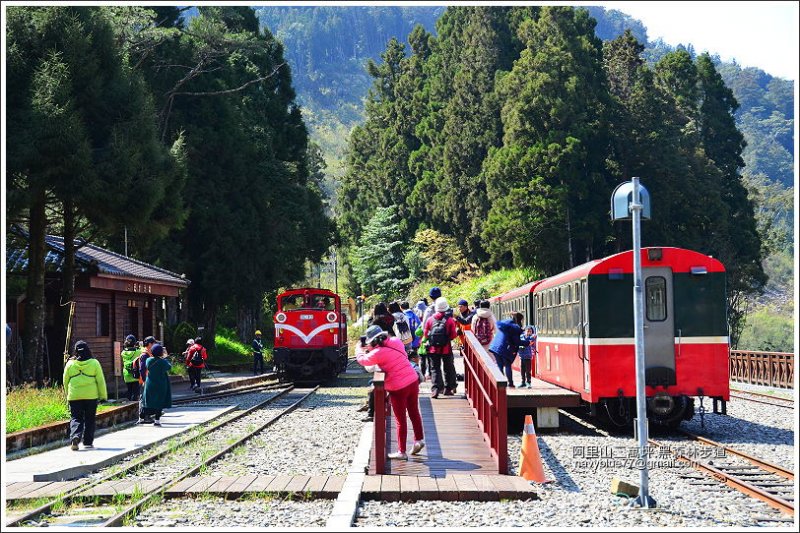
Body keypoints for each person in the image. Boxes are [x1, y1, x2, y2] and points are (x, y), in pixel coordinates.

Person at [356, 325, 425, 460]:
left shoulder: (377, 353)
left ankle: (401, 451)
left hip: (398, 387)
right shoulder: (395, 341)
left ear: (373, 341)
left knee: (400, 419)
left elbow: (363, 361)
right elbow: (398, 355)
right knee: (414, 412)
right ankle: (419, 439)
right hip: (412, 379)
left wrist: (359, 349)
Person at [63, 340, 107, 450]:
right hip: (91, 396)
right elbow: (100, 381)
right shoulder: (94, 363)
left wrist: (68, 394)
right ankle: (87, 442)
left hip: (74, 395)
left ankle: (75, 437)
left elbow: (65, 381)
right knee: (90, 419)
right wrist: (103, 396)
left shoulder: (70, 364)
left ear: (75, 351)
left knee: (76, 418)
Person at [423, 297, 458, 398]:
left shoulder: (430, 319)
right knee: (448, 368)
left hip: (433, 349)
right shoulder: (450, 320)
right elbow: (453, 335)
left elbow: (425, 334)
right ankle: (448, 389)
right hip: (446, 348)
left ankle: (436, 389)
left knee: (435, 368)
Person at [489, 312, 524, 387]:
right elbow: (517, 342)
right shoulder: (514, 327)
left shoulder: (504, 324)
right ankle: (510, 383)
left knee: (500, 365)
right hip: (505, 348)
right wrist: (527, 342)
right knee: (507, 365)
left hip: (495, 347)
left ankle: (500, 383)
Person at [142, 343, 172, 426]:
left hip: (150, 383)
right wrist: (164, 357)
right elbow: (169, 367)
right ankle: (157, 420)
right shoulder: (163, 362)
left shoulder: (148, 360)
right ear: (161, 352)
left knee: (148, 400)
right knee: (159, 401)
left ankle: (143, 417)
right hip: (161, 384)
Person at [137, 336, 156, 424]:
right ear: (149, 344)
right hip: (145, 380)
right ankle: (145, 417)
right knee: (145, 399)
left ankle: (144, 417)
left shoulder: (148, 353)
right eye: (153, 343)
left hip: (148, 380)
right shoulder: (145, 354)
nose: (154, 345)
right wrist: (145, 381)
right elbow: (142, 369)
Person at [120, 334, 141, 401]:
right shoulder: (138, 352)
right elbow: (142, 350)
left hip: (126, 374)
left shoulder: (123, 353)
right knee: (136, 392)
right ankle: (134, 406)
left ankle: (128, 403)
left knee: (129, 390)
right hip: (135, 374)